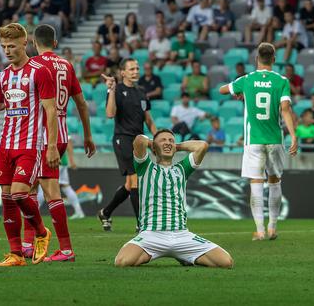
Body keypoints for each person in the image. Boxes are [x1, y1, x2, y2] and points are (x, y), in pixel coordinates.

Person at [0, 23, 58, 267]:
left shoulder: (39, 71)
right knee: (7, 197)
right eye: (3, 46)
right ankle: (15, 253)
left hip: (30, 146)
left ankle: (42, 232)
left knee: (19, 193)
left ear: (25, 43)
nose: (7, 50)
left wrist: (52, 145)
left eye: (11, 46)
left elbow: (51, 109)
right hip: (6, 146)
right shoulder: (2, 77)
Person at [26, 24, 96, 262]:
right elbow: (82, 104)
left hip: (44, 137)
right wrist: (87, 135)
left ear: (34, 44)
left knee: (48, 191)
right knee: (31, 189)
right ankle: (29, 244)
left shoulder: (34, 65)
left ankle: (65, 249)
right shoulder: (66, 65)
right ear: (55, 43)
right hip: (63, 135)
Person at [114, 132, 233, 268]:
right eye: (163, 140)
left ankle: (184, 256)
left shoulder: (182, 169)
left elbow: (202, 146)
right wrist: (157, 144)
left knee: (226, 262)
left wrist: (176, 146)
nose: (168, 142)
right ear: (153, 147)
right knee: (122, 262)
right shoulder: (145, 167)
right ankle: (164, 254)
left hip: (181, 234)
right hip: (152, 234)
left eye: (171, 140)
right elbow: (139, 141)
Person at [219, 43, 298, 240]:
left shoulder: (246, 80)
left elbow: (221, 90)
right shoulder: (281, 81)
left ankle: (260, 231)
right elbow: (286, 109)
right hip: (274, 138)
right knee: (274, 180)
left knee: (256, 182)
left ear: (257, 58)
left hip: (253, 140)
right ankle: (272, 227)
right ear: (274, 58)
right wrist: (294, 135)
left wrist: (241, 92)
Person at [99, 59, 157, 232]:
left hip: (139, 140)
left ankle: (105, 212)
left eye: (137, 68)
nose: (136, 71)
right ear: (122, 72)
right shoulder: (117, 90)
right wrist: (111, 89)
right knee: (135, 180)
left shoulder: (142, 92)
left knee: (129, 184)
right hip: (122, 139)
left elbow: (148, 119)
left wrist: (158, 137)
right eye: (131, 69)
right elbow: (110, 114)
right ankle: (141, 224)